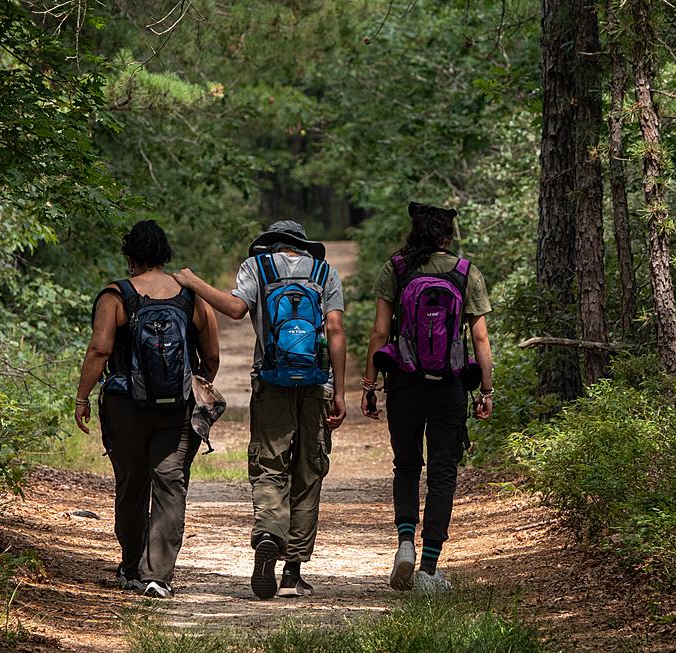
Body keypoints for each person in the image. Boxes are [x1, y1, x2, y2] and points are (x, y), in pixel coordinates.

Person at [174, 220, 347, 600]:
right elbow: (335, 330)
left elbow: (236, 309)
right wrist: (340, 393)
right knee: (308, 470)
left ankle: (269, 533)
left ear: (269, 245)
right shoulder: (325, 272)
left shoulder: (258, 268)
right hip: (317, 383)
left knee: (271, 466)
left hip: (271, 381)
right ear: (303, 246)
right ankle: (293, 573)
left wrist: (193, 282)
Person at [74, 220, 220, 599]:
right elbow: (212, 355)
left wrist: (82, 397)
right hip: (177, 408)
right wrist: (192, 381)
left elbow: (100, 350)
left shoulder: (115, 295)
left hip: (125, 405)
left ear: (130, 256)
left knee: (132, 483)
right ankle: (158, 575)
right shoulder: (190, 296)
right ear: (165, 254)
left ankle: (130, 566)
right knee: (170, 485)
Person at [361, 202, 494, 593]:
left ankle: (405, 543)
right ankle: (430, 569)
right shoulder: (465, 272)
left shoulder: (397, 269)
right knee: (442, 474)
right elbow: (481, 338)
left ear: (413, 232)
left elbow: (379, 333)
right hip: (449, 386)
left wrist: (369, 386)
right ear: (447, 236)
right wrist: (485, 391)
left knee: (406, 465)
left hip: (404, 383)